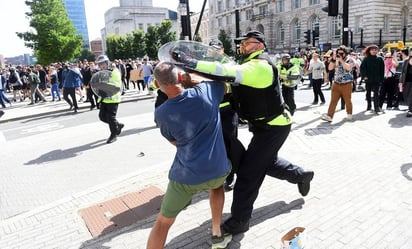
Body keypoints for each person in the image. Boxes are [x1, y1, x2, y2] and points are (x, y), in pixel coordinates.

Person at [172, 30, 314, 235]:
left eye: (247, 43)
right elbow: (225, 81)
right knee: (263, 162)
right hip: (265, 127)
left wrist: (190, 61)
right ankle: (301, 175)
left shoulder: (260, 66)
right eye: (242, 44)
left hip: (274, 128)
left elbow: (223, 70)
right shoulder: (247, 65)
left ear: (260, 46)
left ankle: (240, 221)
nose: (243, 46)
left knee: (248, 175)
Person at [146, 61, 232, 249]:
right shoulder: (206, 93)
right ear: (180, 77)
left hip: (186, 177)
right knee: (217, 187)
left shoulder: (161, 114)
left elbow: (174, 142)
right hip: (218, 169)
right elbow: (223, 85)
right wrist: (192, 80)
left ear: (157, 85)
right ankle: (217, 234)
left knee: (163, 222)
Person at [95, 55, 124, 143]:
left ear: (107, 63)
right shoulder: (102, 73)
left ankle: (114, 134)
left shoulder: (114, 72)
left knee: (111, 117)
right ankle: (117, 125)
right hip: (104, 98)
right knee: (102, 117)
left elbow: (114, 84)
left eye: (103, 64)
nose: (101, 66)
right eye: (100, 65)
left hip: (113, 98)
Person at [321, 45, 355, 122]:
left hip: (347, 84)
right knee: (333, 100)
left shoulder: (350, 59)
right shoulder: (335, 59)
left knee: (348, 100)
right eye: (338, 53)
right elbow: (330, 68)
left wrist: (341, 61)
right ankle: (329, 116)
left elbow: (348, 68)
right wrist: (333, 60)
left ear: (346, 53)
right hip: (336, 83)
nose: (340, 54)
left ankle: (349, 114)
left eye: (341, 53)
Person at [360, 45, 385, 114]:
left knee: (376, 93)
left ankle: (376, 108)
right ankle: (369, 105)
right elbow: (362, 68)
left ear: (377, 51)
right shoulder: (366, 59)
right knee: (368, 93)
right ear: (369, 51)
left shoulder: (380, 59)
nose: (374, 51)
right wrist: (364, 76)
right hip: (368, 79)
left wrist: (382, 79)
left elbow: (382, 70)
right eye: (372, 50)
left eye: (375, 50)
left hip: (377, 79)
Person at [398, 51, 412, 117]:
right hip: (406, 80)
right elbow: (402, 72)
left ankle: (410, 110)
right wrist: (400, 81)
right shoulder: (406, 60)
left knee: (410, 96)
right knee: (406, 95)